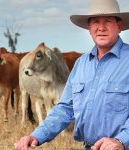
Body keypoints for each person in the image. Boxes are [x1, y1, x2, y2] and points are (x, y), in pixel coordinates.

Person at [14, 0, 129, 149]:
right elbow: (65, 108)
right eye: (95, 22)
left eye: (108, 21)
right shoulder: (81, 64)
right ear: (89, 27)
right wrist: (36, 135)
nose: (101, 27)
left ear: (119, 26)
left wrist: (121, 141)